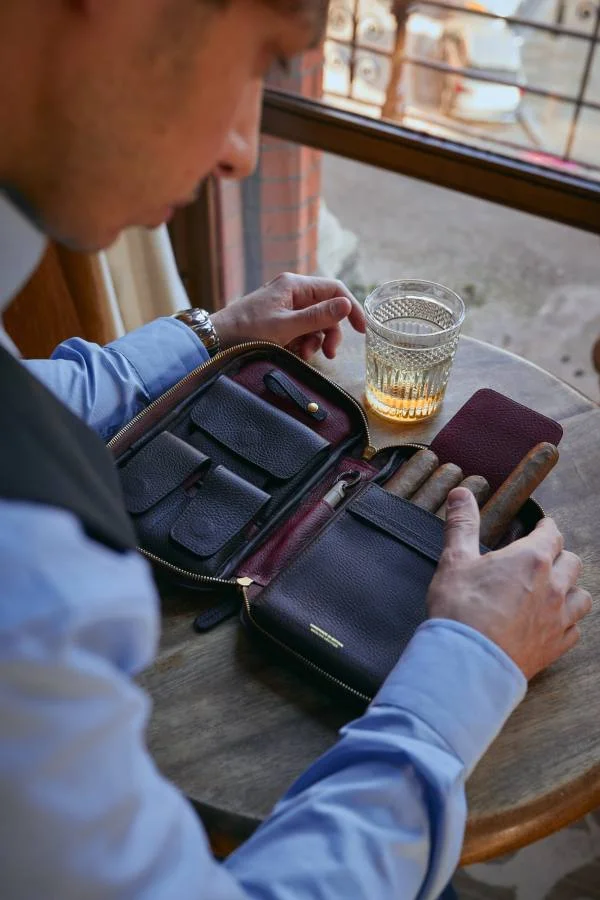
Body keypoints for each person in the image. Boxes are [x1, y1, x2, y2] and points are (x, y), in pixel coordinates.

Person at [0, 2, 592, 898]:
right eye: (260, 57)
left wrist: (213, 334)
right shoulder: (32, 590)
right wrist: (471, 661)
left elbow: (40, 394)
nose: (240, 149)